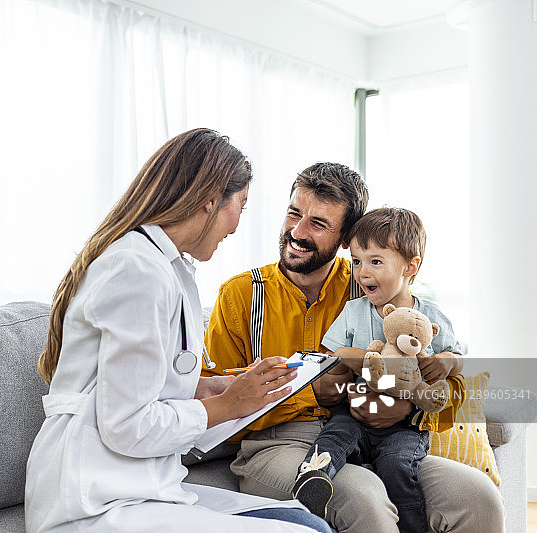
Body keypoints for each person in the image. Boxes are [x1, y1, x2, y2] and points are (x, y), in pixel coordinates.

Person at [25, 128, 332, 533]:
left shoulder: (165, 266)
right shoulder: (137, 270)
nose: (236, 226)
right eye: (241, 205)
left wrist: (215, 388)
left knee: (303, 521)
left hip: (140, 486)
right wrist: (227, 406)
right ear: (210, 200)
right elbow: (126, 425)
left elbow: (146, 386)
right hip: (94, 500)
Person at [204, 162, 505, 532]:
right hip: (278, 445)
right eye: (294, 213)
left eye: (318, 223)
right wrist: (311, 394)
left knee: (478, 497)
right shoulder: (240, 295)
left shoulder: (372, 287)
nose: (297, 231)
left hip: (381, 440)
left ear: (346, 238)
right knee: (364, 498)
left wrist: (408, 408)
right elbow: (214, 408)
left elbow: (448, 378)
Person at [291, 207, 465, 533]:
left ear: (410, 266)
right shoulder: (353, 311)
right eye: (357, 261)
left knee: (398, 465)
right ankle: (313, 479)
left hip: (403, 425)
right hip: (353, 411)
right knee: (334, 438)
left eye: (375, 261)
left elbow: (459, 358)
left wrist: (446, 362)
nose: (362, 272)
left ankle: (411, 526)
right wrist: (365, 359)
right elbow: (334, 355)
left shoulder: (431, 317)